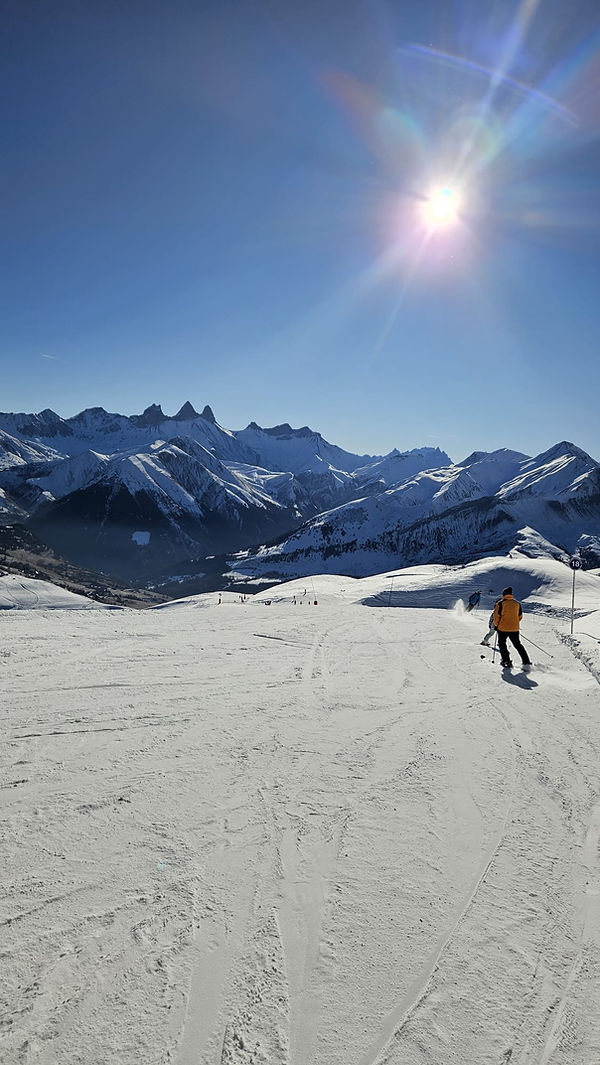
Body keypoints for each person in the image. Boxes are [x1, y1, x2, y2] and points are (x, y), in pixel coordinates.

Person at [493, 587, 531, 668]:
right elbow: (520, 616)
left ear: (504, 594)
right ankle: (526, 662)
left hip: (502, 628)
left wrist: (496, 626)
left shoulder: (500, 603)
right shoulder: (517, 604)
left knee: (502, 644)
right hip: (514, 629)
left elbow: (496, 616)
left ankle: (506, 661)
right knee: (518, 645)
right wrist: (513, 624)